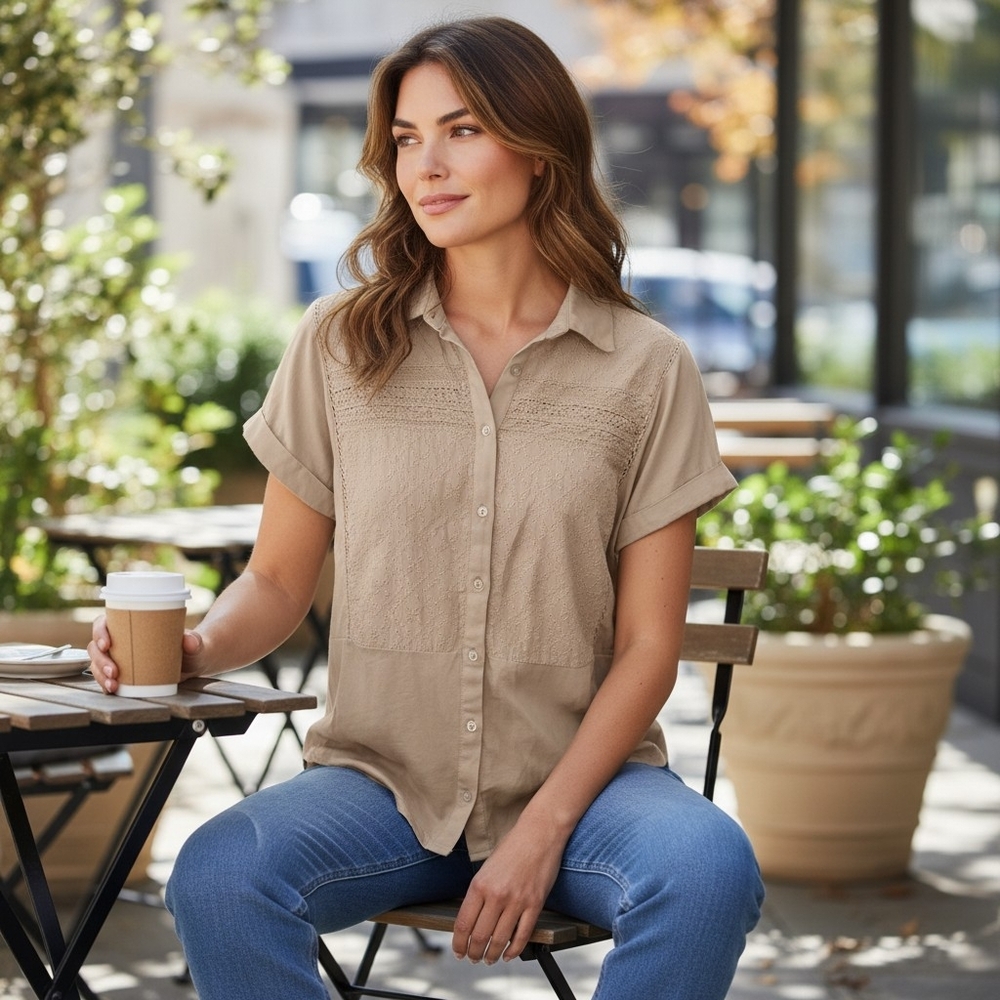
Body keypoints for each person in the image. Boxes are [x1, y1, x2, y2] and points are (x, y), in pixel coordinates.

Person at [89, 15, 763, 999]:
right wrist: (193, 648)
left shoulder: (644, 367)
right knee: (223, 873)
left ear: (537, 152)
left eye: (460, 131)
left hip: (588, 796)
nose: (426, 167)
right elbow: (276, 581)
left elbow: (649, 648)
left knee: (707, 870)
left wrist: (540, 833)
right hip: (379, 789)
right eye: (407, 140)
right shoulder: (339, 346)